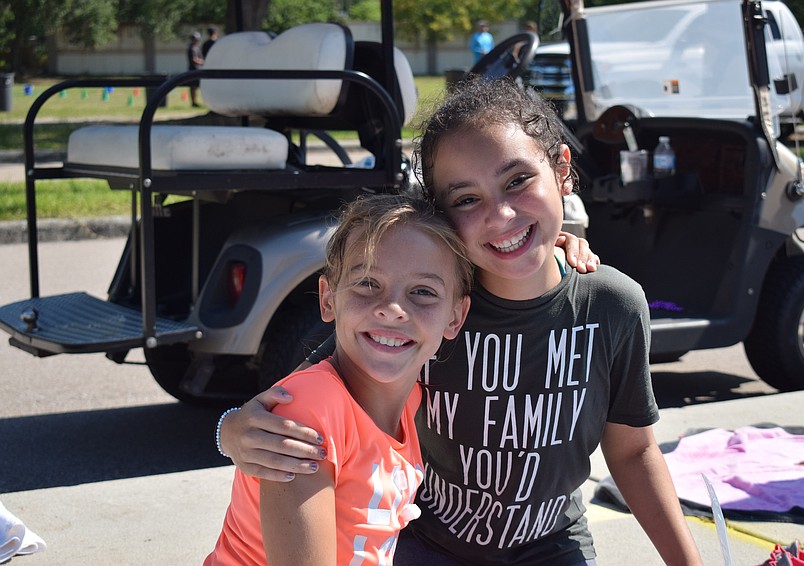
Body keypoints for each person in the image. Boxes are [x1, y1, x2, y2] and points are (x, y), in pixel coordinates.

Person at [219, 77, 702, 564]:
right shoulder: (427, 308)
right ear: (443, 214)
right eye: (467, 199)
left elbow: (633, 452)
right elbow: (315, 395)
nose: (502, 213)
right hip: (427, 545)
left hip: (553, 547)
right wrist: (231, 430)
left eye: (518, 180)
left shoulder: (612, 305)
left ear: (562, 171)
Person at [205, 194, 473, 565]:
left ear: (455, 317)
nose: (393, 308)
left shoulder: (412, 400)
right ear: (328, 298)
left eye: (423, 292)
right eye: (367, 283)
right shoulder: (312, 409)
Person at [187, 31, 204, 108]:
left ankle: (197, 101)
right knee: (193, 87)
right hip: (193, 70)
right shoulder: (191, 48)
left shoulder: (197, 48)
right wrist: (202, 62)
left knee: (198, 86)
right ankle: (193, 102)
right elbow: (194, 59)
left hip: (199, 69)